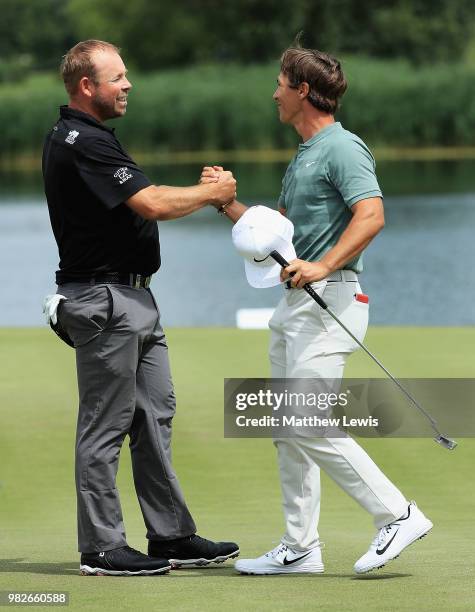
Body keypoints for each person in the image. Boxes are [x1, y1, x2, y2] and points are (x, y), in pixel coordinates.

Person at [201, 45, 432, 575]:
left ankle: (397, 513)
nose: (274, 93)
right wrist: (226, 201)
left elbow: (371, 215)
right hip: (297, 305)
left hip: (333, 300)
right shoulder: (305, 154)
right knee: (287, 426)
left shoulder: (342, 148)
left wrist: (323, 265)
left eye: (281, 82)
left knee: (305, 420)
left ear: (303, 89)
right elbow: (275, 238)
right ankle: (300, 546)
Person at [42, 40, 239, 576]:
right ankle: (102, 546)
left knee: (154, 417)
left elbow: (146, 199)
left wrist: (203, 195)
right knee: (104, 425)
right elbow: (151, 203)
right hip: (103, 301)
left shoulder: (97, 138)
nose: (128, 85)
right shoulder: (82, 139)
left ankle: (170, 536)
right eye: (118, 77)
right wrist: (214, 193)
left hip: (133, 297)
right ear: (88, 86)